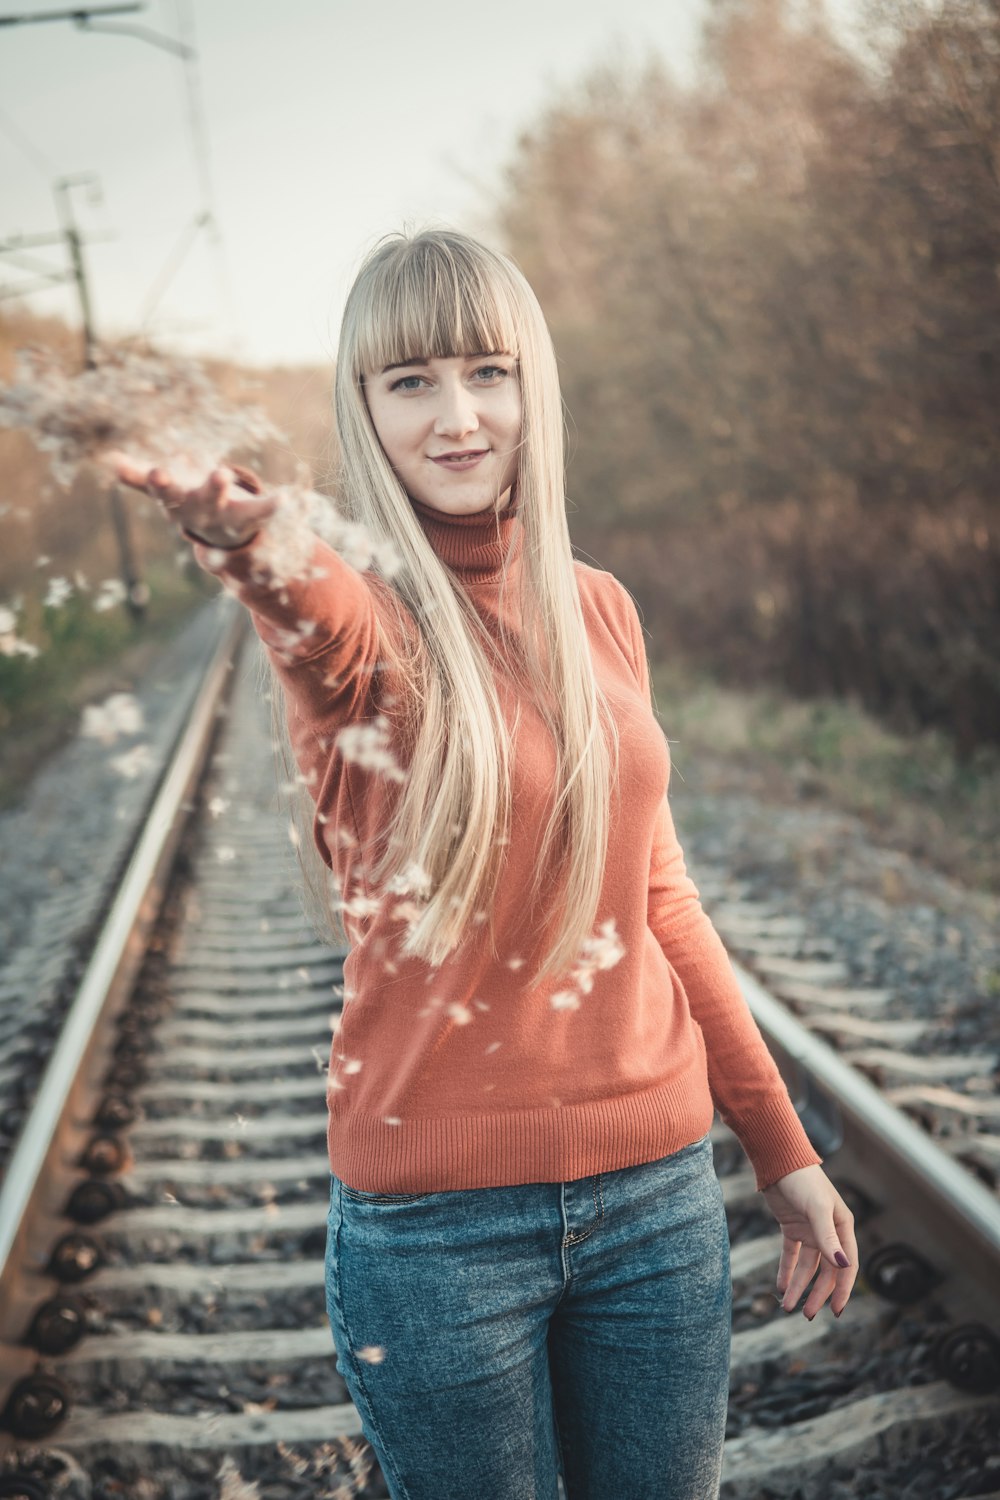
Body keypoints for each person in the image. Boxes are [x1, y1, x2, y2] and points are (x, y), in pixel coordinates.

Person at [111, 227, 857, 1500]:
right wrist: (245, 540)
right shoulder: (360, 625)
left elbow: (658, 898)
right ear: (363, 407)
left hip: (656, 1207)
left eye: (486, 372)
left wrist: (782, 1152)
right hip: (436, 1241)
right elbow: (314, 617)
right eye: (410, 383)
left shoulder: (599, 606)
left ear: (533, 389)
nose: (458, 417)